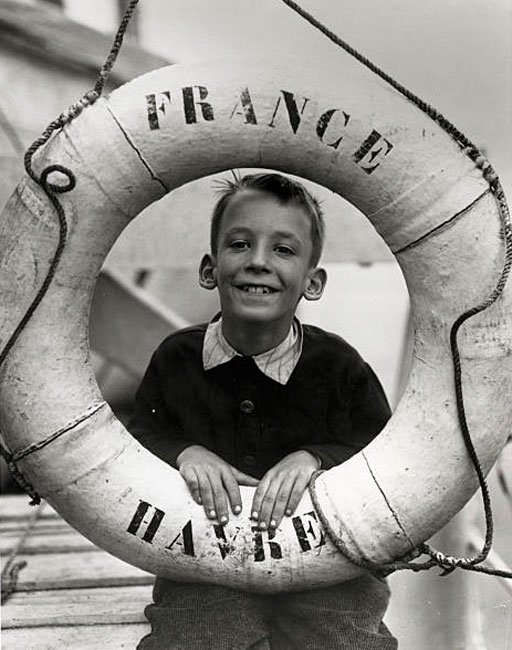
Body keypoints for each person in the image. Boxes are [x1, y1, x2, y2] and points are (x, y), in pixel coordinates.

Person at [129, 172, 397, 649]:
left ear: (312, 283)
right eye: (239, 244)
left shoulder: (340, 367)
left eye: (283, 250)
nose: (258, 262)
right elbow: (138, 440)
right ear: (209, 270)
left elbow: (384, 456)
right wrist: (185, 452)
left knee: (345, 640)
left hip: (327, 567)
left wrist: (314, 458)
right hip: (208, 563)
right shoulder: (175, 359)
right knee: (195, 641)